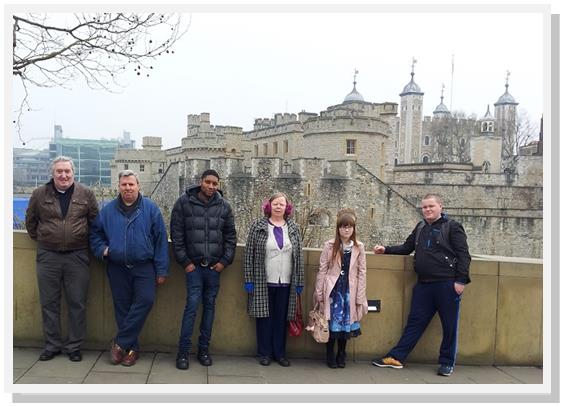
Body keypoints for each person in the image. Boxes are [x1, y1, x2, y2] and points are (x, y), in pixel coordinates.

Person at [371, 193, 471, 377]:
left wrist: (460, 280)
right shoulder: (421, 227)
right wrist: (386, 250)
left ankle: (447, 362)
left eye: (431, 206)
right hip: (424, 284)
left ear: (440, 206)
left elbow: (464, 255)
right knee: (415, 323)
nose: (427, 210)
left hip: (447, 284)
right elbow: (407, 247)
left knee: (449, 326)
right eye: (424, 207)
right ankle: (397, 357)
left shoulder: (453, 227)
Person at [90, 170, 169, 367]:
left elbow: (161, 241)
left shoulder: (150, 209)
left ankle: (119, 344)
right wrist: (103, 249)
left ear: (138, 186)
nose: (127, 188)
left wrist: (161, 270)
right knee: (122, 309)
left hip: (144, 266)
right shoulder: (107, 211)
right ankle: (132, 350)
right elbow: (94, 234)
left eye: (131, 185)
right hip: (117, 267)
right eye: (124, 185)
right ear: (119, 187)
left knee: (145, 300)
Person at [25, 156, 99, 362]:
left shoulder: (86, 194)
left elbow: (95, 222)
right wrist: (46, 240)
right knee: (49, 303)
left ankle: (74, 346)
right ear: (53, 173)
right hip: (48, 257)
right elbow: (30, 222)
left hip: (77, 256)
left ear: (73, 173)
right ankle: (52, 345)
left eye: (67, 171)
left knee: (77, 303)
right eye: (59, 171)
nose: (63, 175)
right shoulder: (39, 195)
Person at [170, 169, 237, 370]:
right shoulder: (183, 203)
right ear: (201, 182)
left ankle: (203, 350)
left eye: (215, 183)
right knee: (191, 308)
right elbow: (176, 235)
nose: (211, 186)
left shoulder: (224, 206)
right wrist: (186, 263)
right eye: (207, 182)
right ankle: (182, 353)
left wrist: (223, 262)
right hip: (193, 268)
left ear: (218, 185)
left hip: (214, 269)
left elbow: (231, 238)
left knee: (209, 309)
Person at [244, 192, 305, 367]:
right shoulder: (258, 226)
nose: (279, 207)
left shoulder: (293, 228)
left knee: (281, 319)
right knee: (264, 318)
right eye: (275, 204)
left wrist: (299, 282)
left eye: (282, 204)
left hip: (286, 282)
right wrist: (249, 279)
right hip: (263, 281)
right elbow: (249, 254)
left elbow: (299, 256)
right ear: (269, 206)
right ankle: (264, 353)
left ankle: (280, 353)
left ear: (287, 208)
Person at [313, 209, 368, 369]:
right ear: (338, 228)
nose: (346, 230)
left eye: (350, 227)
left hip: (349, 290)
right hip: (333, 289)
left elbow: (362, 272)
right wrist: (319, 292)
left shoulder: (359, 247)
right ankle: (329, 353)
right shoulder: (329, 245)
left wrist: (360, 296)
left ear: (354, 229)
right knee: (328, 322)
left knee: (346, 323)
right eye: (343, 226)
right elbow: (322, 269)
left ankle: (342, 353)